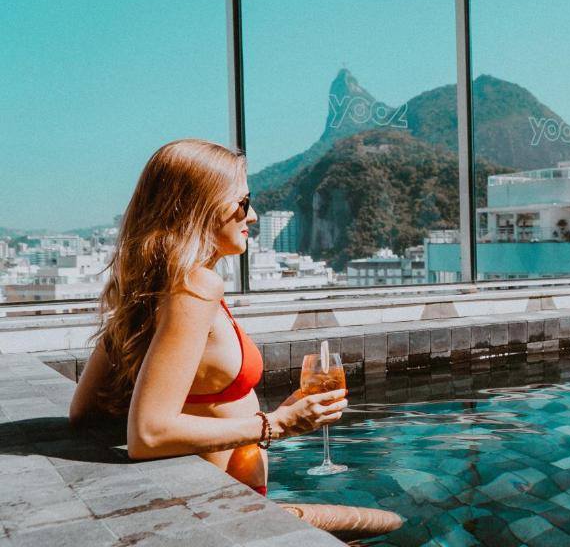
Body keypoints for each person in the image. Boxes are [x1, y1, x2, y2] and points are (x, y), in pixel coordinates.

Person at [69, 139, 400, 537]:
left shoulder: (153, 286)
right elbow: (148, 434)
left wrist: (282, 415)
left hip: (224, 496)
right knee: (388, 524)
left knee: (374, 526)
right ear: (200, 209)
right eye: (243, 203)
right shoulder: (195, 288)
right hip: (224, 511)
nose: (254, 215)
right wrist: (275, 424)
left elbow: (83, 411)